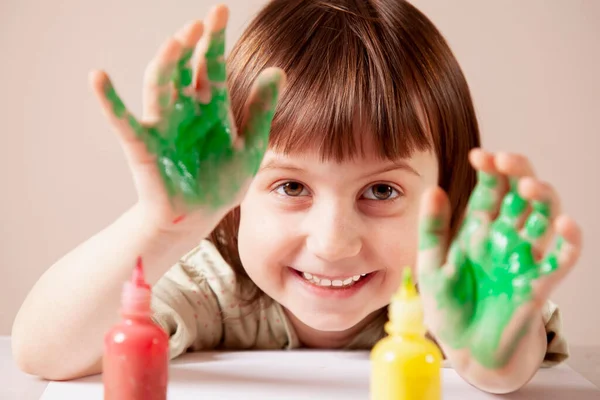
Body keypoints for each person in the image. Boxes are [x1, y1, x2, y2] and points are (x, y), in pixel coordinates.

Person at [12, 0, 582, 394]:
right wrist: (163, 225)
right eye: (291, 187)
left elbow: (506, 369)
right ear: (235, 195)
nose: (333, 242)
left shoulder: (449, 293)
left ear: (446, 194)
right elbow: (42, 353)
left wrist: (482, 351)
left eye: (381, 190)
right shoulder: (215, 285)